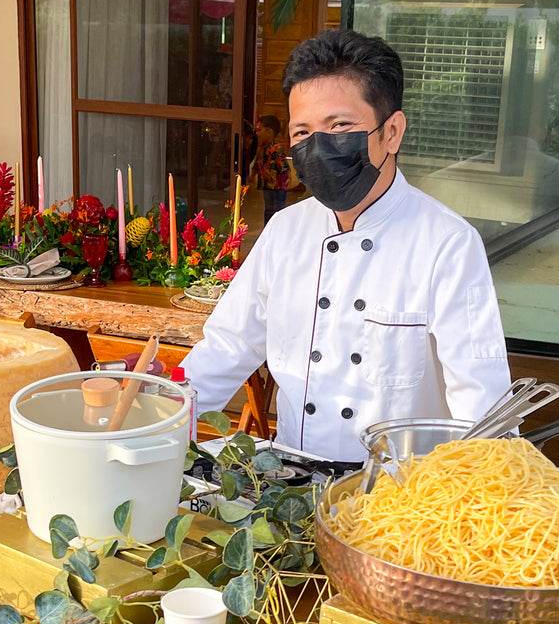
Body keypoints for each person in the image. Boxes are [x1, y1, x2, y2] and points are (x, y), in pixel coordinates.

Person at [181, 28, 512, 462]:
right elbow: (230, 345)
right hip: (291, 483)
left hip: (398, 497)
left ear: (391, 133)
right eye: (302, 133)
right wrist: (162, 413)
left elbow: (481, 401)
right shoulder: (285, 231)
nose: (318, 148)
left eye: (340, 125)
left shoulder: (446, 244)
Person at [249, 114, 291, 222]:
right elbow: (258, 163)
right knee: (268, 209)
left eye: (259, 130)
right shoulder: (261, 148)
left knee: (277, 210)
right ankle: (267, 228)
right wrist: (253, 175)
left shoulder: (276, 148)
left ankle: (277, 229)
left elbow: (283, 165)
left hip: (278, 186)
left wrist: (288, 177)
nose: (256, 133)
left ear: (269, 132)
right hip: (267, 185)